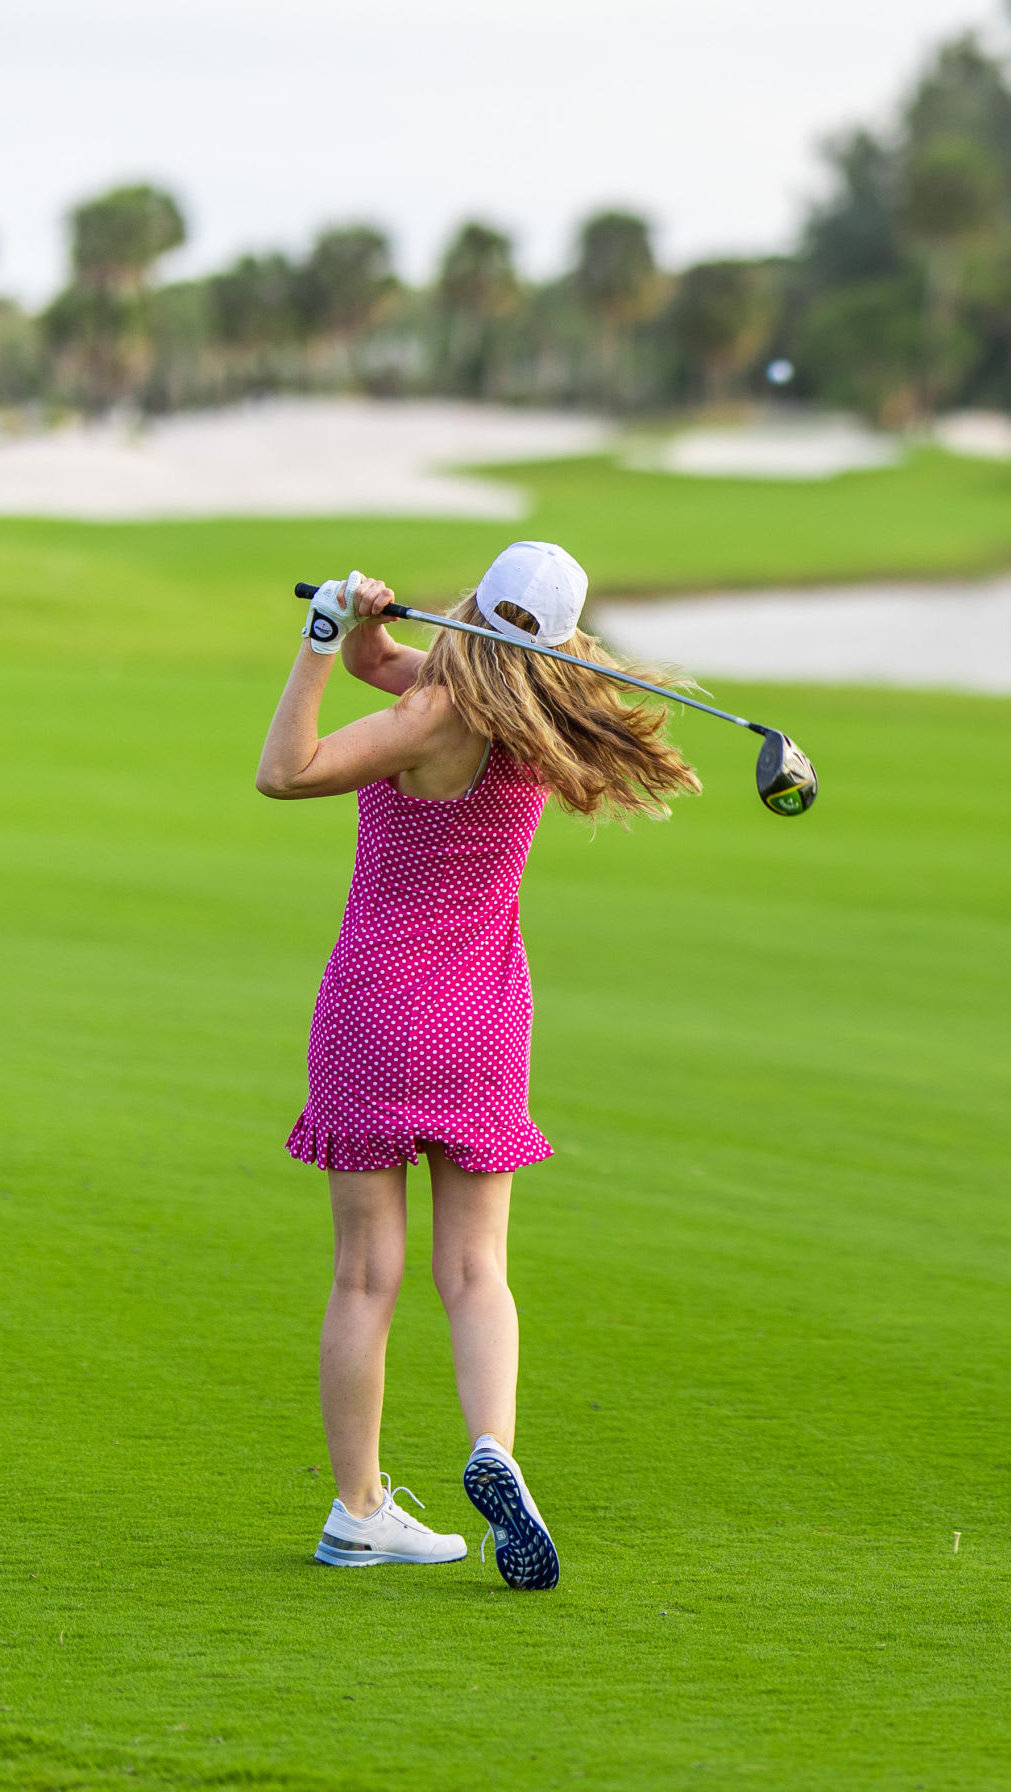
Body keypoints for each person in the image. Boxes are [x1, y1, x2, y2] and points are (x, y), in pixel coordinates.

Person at [256, 541, 700, 1587]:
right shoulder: (542, 713)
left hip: (373, 1005)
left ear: (476, 602)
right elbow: (394, 664)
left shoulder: (430, 714)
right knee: (476, 1269)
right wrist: (369, 631)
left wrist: (321, 640)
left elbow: (287, 771)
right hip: (484, 1013)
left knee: (367, 1273)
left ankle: (359, 1506)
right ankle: (493, 1446)